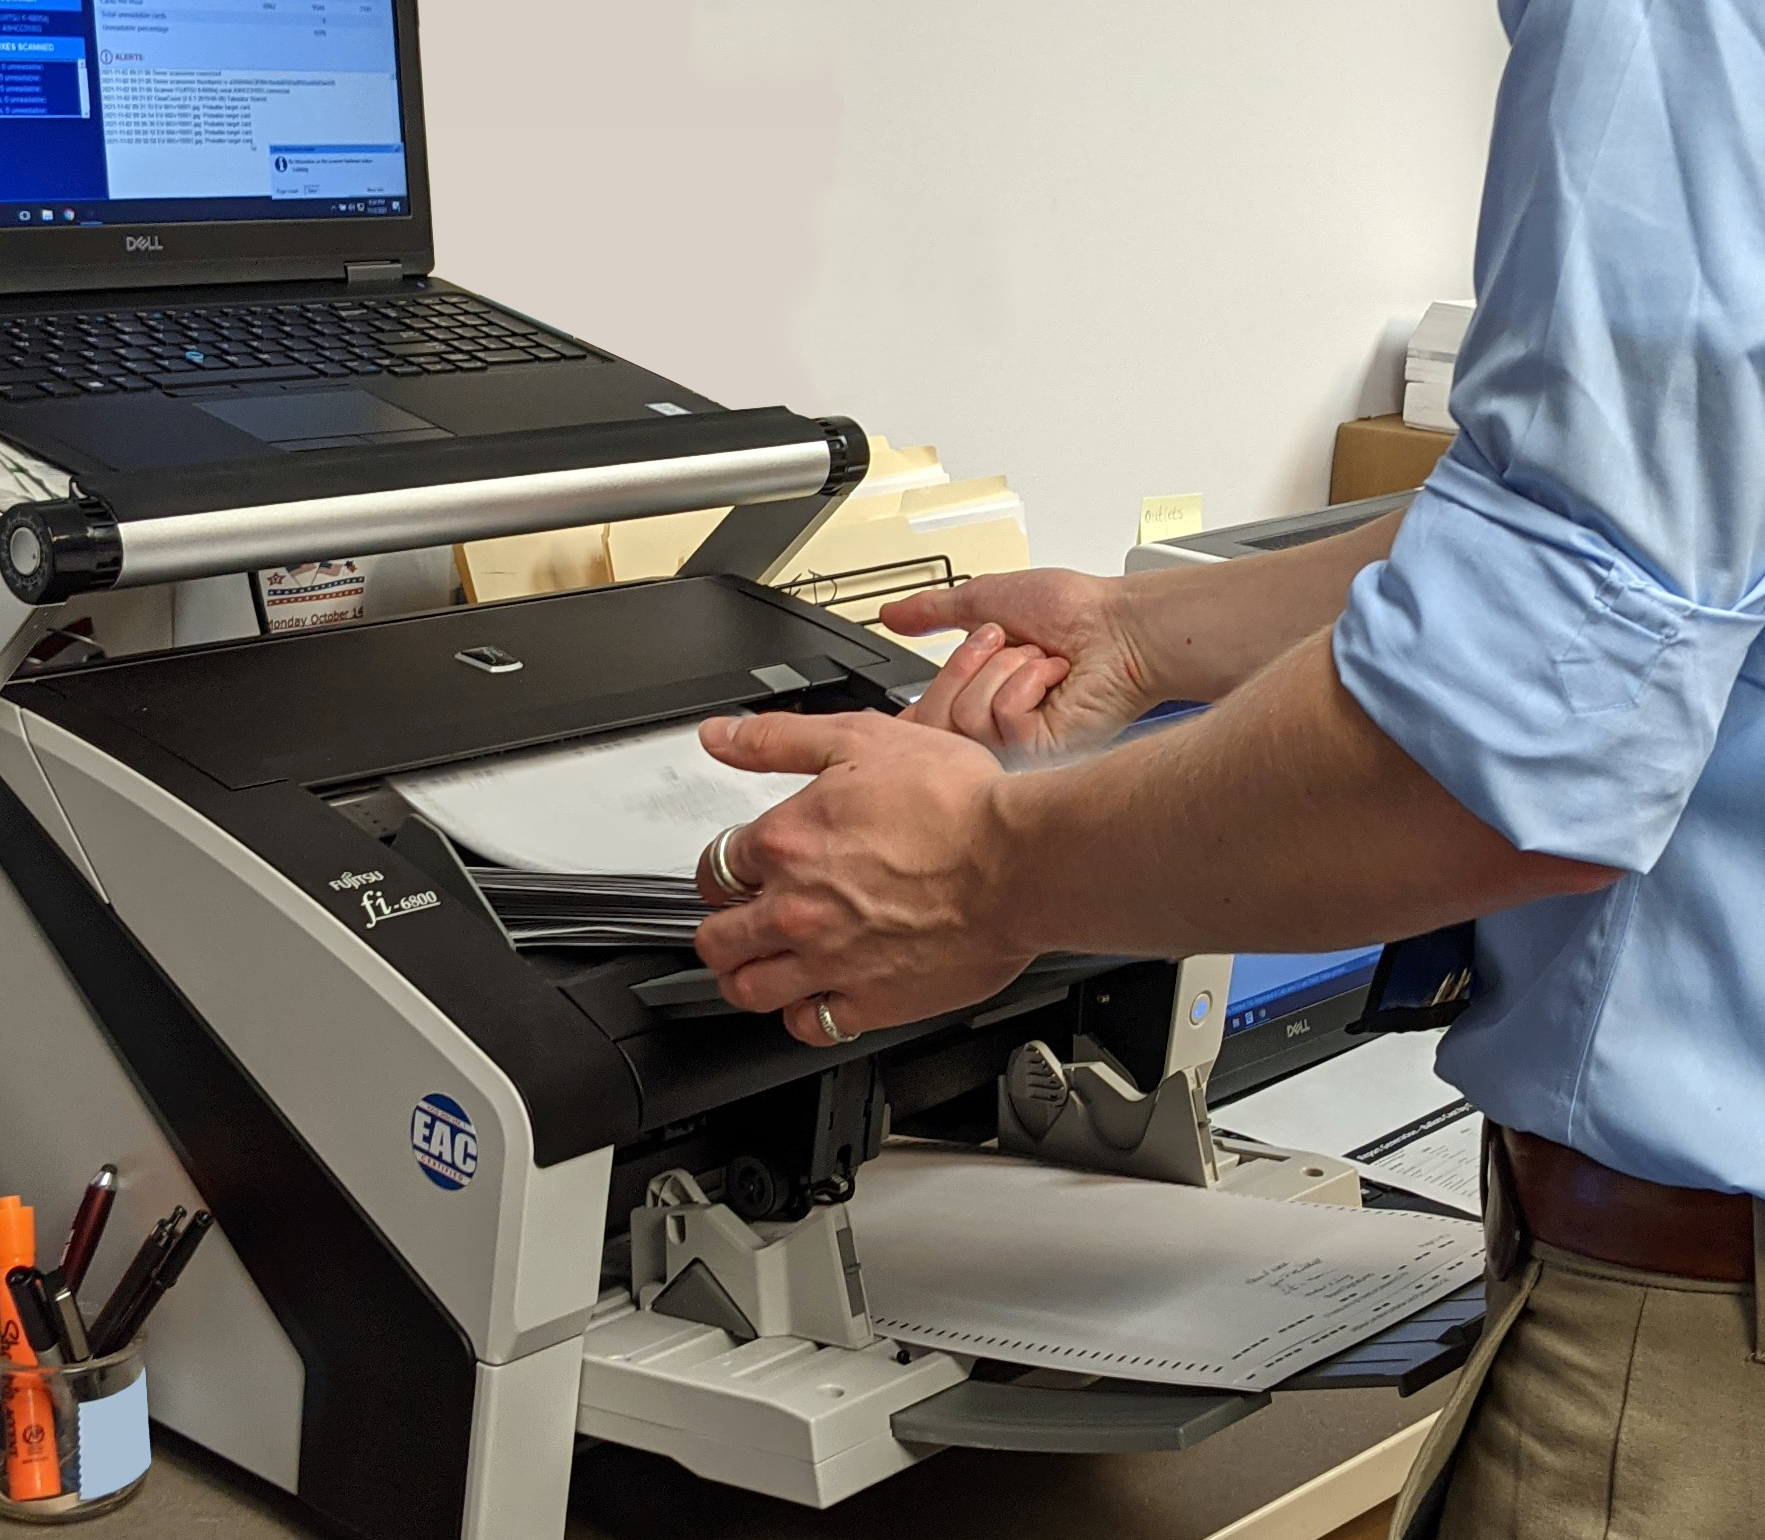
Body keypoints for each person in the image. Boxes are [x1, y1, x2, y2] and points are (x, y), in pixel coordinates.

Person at [689, 2, 1765, 1535]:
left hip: (1708, 1352)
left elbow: (1518, 751)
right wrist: (1141, 634)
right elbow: (1643, 528)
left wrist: (986, 872)